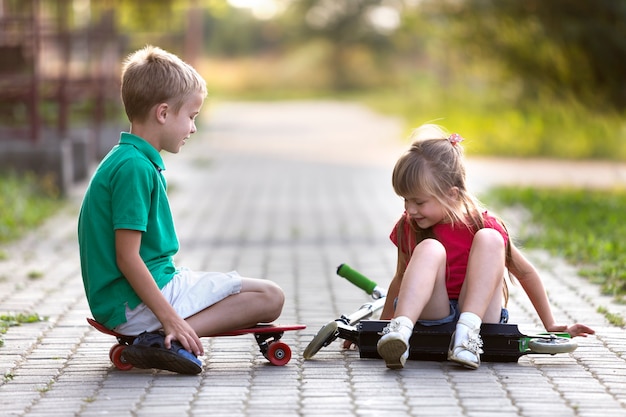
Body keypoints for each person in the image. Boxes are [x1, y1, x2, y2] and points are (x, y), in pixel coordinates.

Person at [78, 45, 285, 375]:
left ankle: (164, 333)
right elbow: (127, 257)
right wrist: (170, 317)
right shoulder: (135, 168)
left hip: (132, 297)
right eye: (191, 116)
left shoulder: (126, 158)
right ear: (163, 113)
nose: (193, 128)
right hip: (134, 303)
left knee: (257, 292)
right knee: (270, 297)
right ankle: (165, 337)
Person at [376, 124, 594, 370]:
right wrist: (378, 328)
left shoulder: (482, 223)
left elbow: (525, 273)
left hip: (480, 318)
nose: (410, 209)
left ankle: (466, 337)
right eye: (405, 200)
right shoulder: (410, 226)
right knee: (429, 248)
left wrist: (550, 324)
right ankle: (400, 332)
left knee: (490, 238)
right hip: (434, 314)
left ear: (452, 195)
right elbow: (401, 277)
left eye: (419, 201)